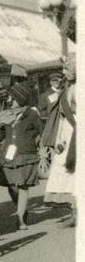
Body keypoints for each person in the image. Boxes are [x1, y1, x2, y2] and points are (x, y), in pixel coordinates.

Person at [0, 81, 44, 230]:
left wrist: (47, 144)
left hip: (26, 155)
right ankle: (22, 209)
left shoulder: (31, 114)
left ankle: (19, 217)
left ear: (19, 99)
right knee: (12, 186)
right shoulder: (6, 116)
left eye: (12, 98)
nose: (9, 100)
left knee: (23, 185)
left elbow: (42, 131)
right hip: (9, 156)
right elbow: (0, 135)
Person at [41, 53, 76, 227]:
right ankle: (74, 212)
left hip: (78, 133)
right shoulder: (66, 87)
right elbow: (62, 116)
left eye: (67, 68)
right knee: (67, 171)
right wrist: (60, 138)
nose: (64, 72)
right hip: (68, 133)